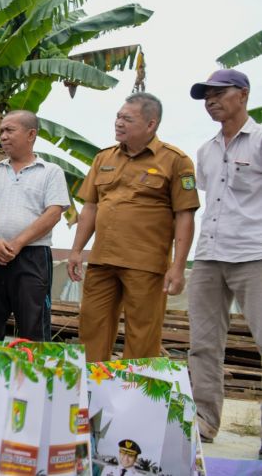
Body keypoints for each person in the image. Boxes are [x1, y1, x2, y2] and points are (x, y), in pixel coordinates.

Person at [67, 93, 199, 362]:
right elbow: (90, 207)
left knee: (142, 336)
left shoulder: (175, 160)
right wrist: (76, 250)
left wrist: (178, 267)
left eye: (127, 118)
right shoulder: (103, 158)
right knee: (92, 328)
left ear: (151, 124)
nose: (119, 123)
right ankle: (91, 395)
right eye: (118, 116)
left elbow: (185, 215)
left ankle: (134, 398)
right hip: (102, 260)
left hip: (146, 264)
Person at [186, 69, 262, 455]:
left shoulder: (261, 139)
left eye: (219, 93)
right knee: (202, 343)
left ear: (243, 95)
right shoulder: (206, 150)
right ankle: (204, 421)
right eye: (206, 95)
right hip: (208, 257)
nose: (210, 100)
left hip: (255, 254)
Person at [0, 110, 69, 342]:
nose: (3, 136)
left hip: (32, 257)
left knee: (32, 326)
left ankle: (33, 377)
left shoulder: (51, 172)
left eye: (9, 130)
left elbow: (53, 213)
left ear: (31, 134)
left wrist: (17, 243)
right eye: (1, 130)